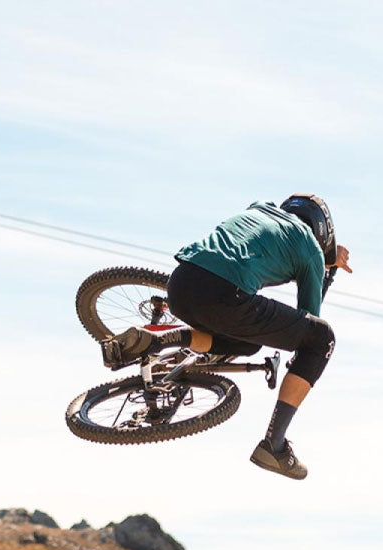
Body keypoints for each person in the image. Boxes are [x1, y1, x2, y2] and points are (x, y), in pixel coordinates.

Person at [100, 195, 350, 480]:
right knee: (322, 338)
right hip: (224, 295)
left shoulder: (259, 208)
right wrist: (326, 270)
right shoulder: (311, 251)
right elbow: (308, 324)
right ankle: (274, 444)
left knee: (247, 342)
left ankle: (159, 340)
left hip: (181, 283)